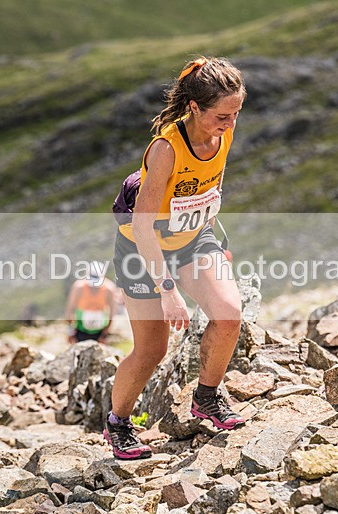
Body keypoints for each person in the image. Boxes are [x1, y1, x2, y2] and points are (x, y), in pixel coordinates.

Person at [106, 56, 246, 460]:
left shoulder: (223, 132)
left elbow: (205, 189)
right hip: (142, 246)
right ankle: (118, 423)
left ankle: (206, 398)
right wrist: (166, 288)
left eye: (236, 114)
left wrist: (216, 242)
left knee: (229, 313)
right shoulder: (166, 149)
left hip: (192, 238)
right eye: (222, 115)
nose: (230, 124)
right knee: (152, 349)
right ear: (195, 107)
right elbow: (144, 225)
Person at [64, 261, 117, 343]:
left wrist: (105, 333)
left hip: (100, 331)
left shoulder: (109, 289)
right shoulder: (79, 287)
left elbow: (112, 312)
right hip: (80, 330)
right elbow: (70, 309)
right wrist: (70, 332)